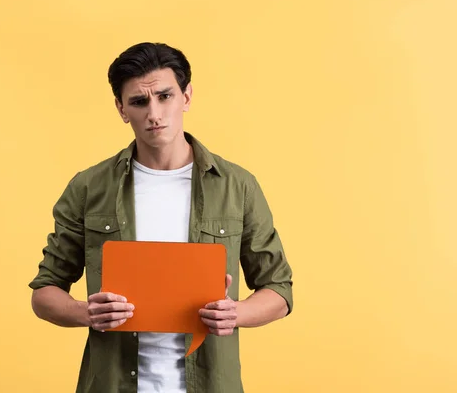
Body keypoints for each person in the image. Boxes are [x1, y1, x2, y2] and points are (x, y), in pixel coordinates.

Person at [29, 42, 293, 393]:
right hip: (112, 383)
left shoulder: (237, 186)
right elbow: (44, 292)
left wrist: (236, 314)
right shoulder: (89, 188)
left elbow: (279, 288)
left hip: (210, 383)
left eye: (165, 96)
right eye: (139, 101)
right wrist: (86, 313)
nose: (154, 113)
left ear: (186, 97)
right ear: (122, 109)